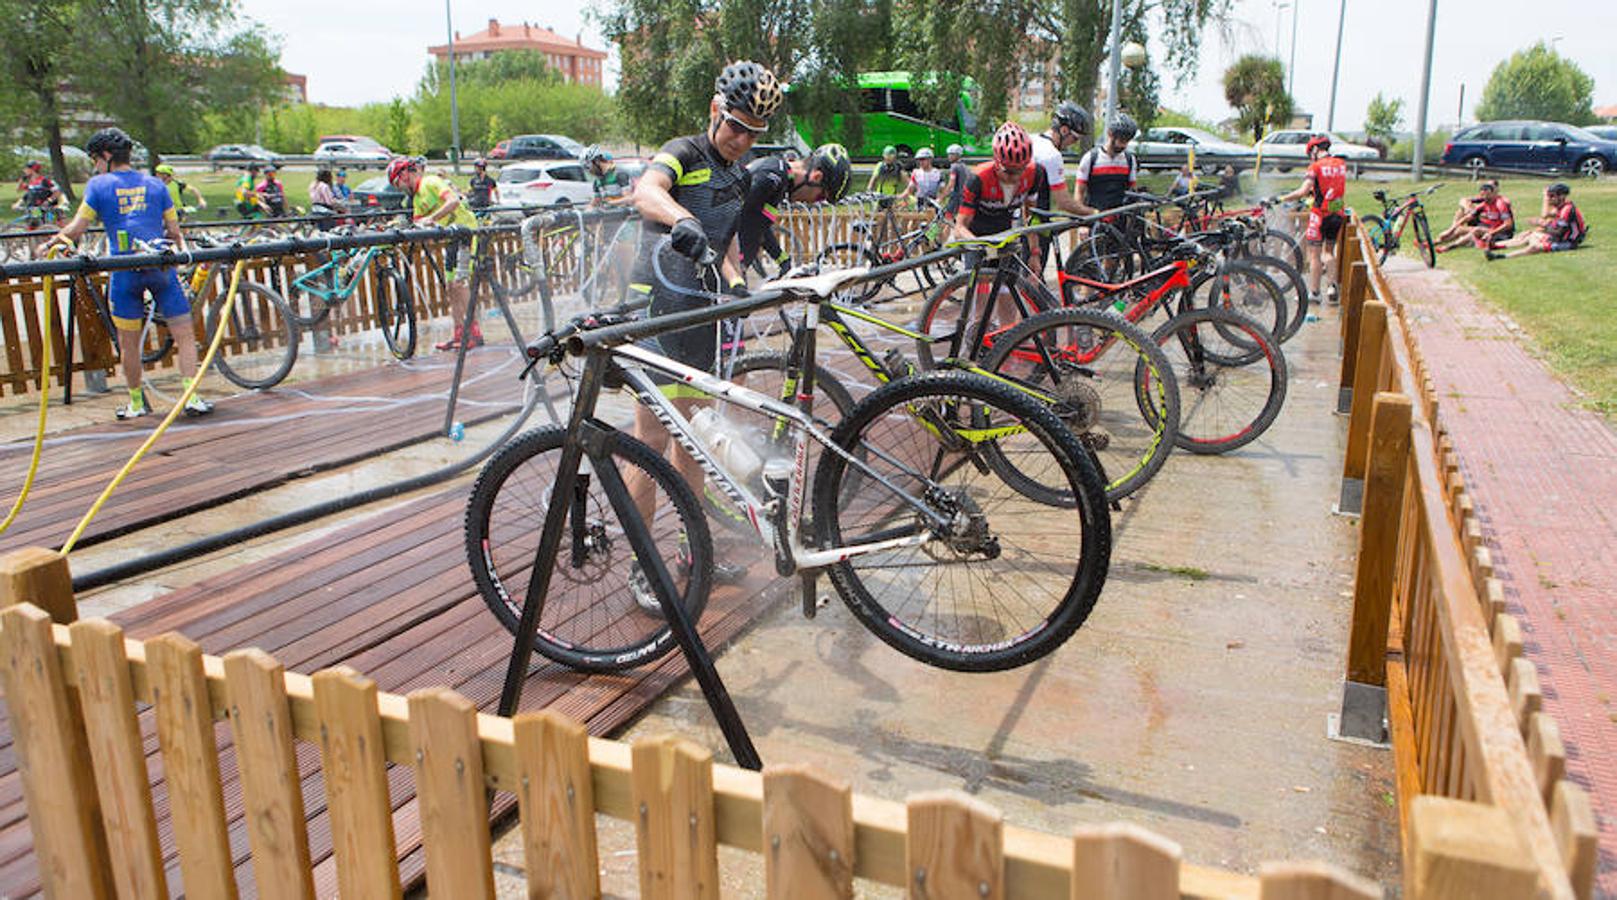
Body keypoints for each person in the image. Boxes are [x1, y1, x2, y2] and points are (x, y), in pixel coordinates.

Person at [625, 59, 784, 602]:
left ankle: (692, 550)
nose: (741, 139)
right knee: (651, 442)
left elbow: (728, 244)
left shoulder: (740, 176)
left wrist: (738, 282)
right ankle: (642, 562)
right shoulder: (684, 152)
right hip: (657, 312)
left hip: (701, 314)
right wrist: (681, 221)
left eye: (753, 133)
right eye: (735, 125)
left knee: (693, 444)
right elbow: (646, 192)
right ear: (716, 110)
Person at [43, 128, 211, 420]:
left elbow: (77, 229)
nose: (95, 165)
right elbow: (173, 231)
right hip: (160, 266)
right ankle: (191, 397)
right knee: (184, 334)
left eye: (95, 159)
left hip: (123, 270)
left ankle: (136, 403)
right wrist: (179, 260)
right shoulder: (156, 185)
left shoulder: (98, 185)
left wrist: (50, 243)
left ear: (106, 156)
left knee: (128, 342)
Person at [952, 121, 1050, 327]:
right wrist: (980, 245)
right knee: (982, 306)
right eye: (1009, 172)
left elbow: (1030, 216)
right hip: (978, 235)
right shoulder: (977, 178)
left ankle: (1006, 340)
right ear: (996, 162)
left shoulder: (1035, 173)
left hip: (1005, 233)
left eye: (1020, 171)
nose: (1014, 178)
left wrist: (1034, 253)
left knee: (1008, 295)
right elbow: (960, 226)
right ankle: (978, 339)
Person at [388, 156, 483, 349]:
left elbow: (453, 201)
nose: (399, 189)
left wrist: (432, 218)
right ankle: (458, 332)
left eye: (398, 183)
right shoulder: (416, 199)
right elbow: (419, 224)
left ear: (405, 174)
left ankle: (474, 332)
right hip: (451, 239)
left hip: (466, 234)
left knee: (460, 283)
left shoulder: (430, 182)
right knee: (450, 286)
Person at [737, 143, 852, 271]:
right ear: (816, 177)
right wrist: (737, 272)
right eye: (820, 197)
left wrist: (783, 260)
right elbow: (744, 225)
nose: (814, 202)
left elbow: (759, 225)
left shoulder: (779, 179)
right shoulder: (773, 178)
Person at [1274, 134, 1346, 303]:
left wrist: (1281, 199)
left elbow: (1303, 191)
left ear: (1314, 149)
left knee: (1314, 255)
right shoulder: (1341, 164)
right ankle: (1331, 286)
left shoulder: (1315, 167)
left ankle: (1314, 293)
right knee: (1329, 252)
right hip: (1337, 213)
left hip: (1320, 214)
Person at [1486, 182, 1586, 261]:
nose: (1549, 199)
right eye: (1548, 196)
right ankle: (1496, 245)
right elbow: (1552, 222)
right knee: (1530, 234)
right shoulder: (1561, 207)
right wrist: (1542, 226)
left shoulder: (1566, 210)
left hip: (1568, 242)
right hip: (1561, 238)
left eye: (1552, 196)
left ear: (1562, 197)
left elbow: (1559, 233)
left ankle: (1501, 256)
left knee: (1535, 247)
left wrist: (1543, 225)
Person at [1074, 113, 1139, 214]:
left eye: (1127, 141)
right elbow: (1079, 192)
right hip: (1094, 216)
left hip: (1120, 217)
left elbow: (1132, 191)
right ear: (1110, 134)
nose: (1124, 145)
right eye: (1121, 140)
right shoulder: (1091, 158)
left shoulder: (1130, 160)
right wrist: (1081, 222)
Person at [1435, 180, 1511, 252]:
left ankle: (1449, 247)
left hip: (1502, 234)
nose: (1485, 198)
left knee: (1477, 230)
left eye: (1487, 195)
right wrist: (1450, 230)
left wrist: (1491, 233)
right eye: (1483, 196)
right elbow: (1467, 218)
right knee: (1460, 229)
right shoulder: (1483, 205)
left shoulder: (1500, 204)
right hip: (1488, 228)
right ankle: (1434, 243)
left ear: (1493, 193)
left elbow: (1508, 225)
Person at [941, 143, 971, 217]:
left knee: (948, 217)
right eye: (948, 154)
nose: (949, 156)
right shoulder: (965, 166)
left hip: (957, 196)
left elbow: (951, 184)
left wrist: (941, 197)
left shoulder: (954, 167)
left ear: (958, 155)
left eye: (952, 154)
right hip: (965, 197)